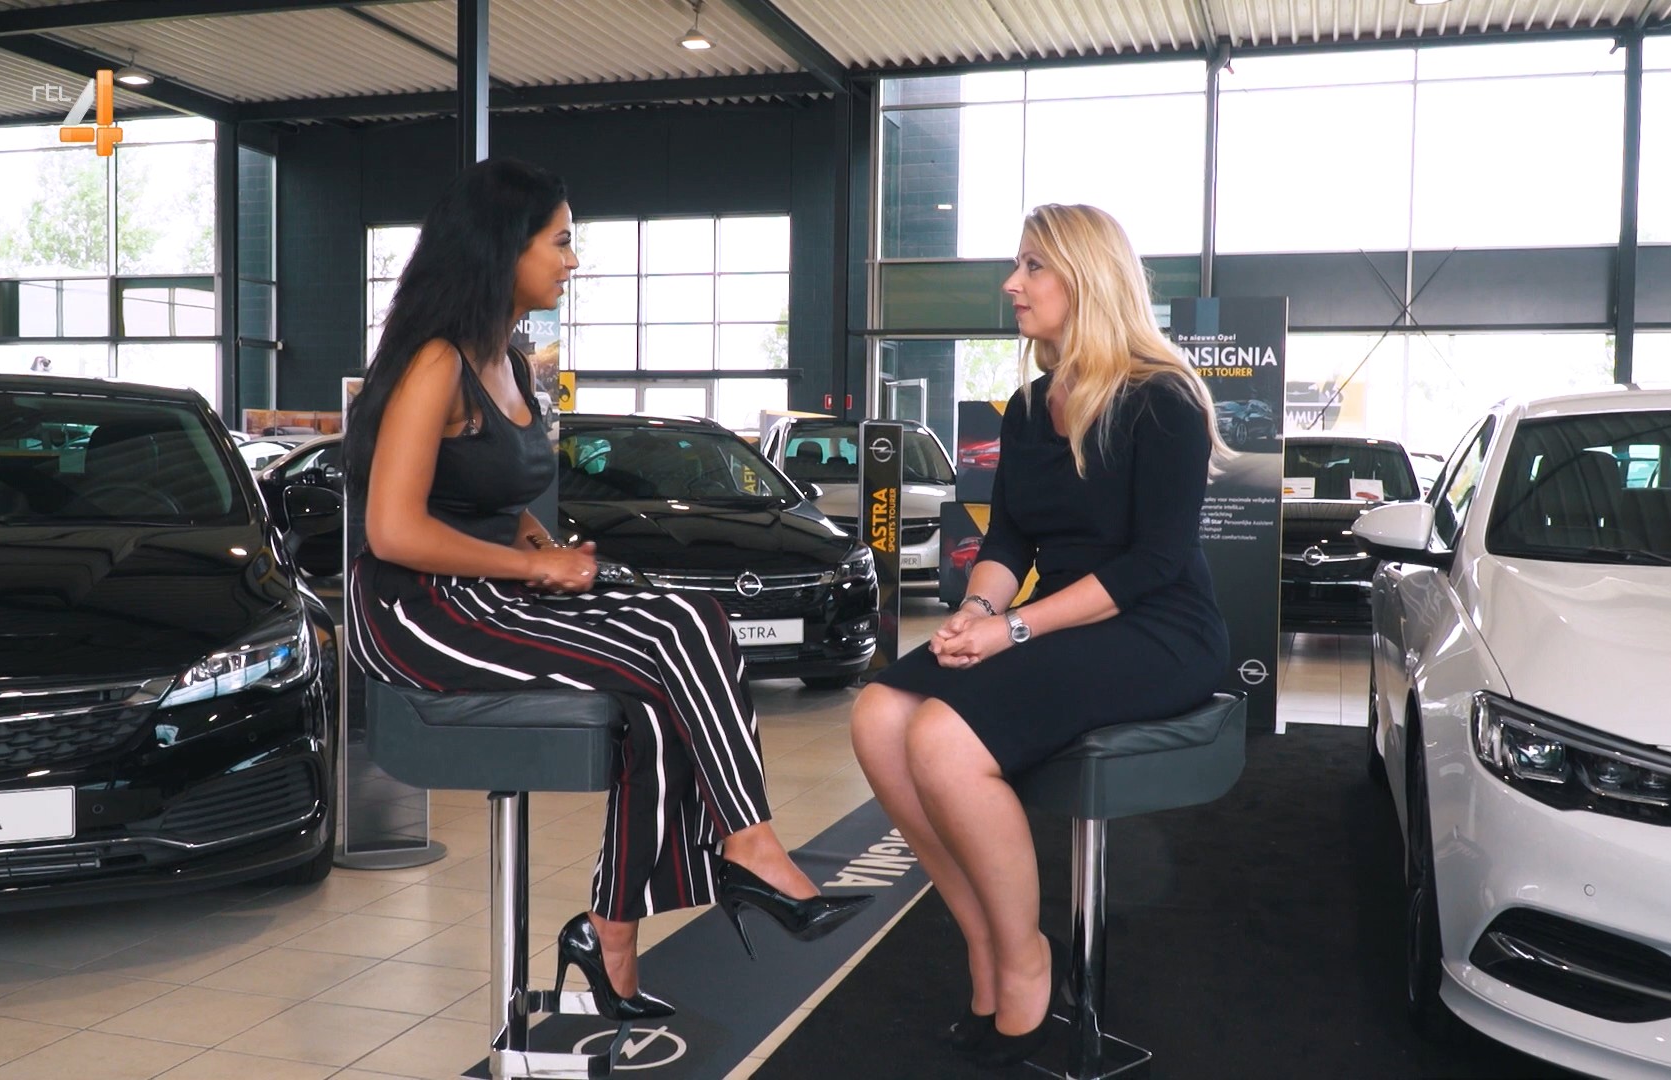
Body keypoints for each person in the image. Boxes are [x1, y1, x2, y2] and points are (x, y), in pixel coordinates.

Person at [343, 158, 871, 1020]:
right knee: (667, 640)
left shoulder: (510, 359)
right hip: (421, 610)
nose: (573, 260)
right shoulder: (436, 361)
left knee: (691, 627)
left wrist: (539, 541)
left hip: (490, 590)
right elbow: (392, 529)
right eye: (559, 242)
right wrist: (537, 568)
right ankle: (752, 848)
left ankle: (609, 933)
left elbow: (485, 493)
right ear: (503, 246)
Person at [849, 203, 1231, 1066]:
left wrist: (1015, 627)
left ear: (1086, 280)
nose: (1011, 284)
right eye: (1016, 266)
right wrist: (979, 612)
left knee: (943, 739)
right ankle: (985, 938)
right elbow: (1011, 541)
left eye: (1032, 267)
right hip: (1058, 618)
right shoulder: (1027, 407)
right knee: (878, 715)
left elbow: (1155, 563)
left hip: (1159, 626)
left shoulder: (1162, 398)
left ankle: (1025, 960)